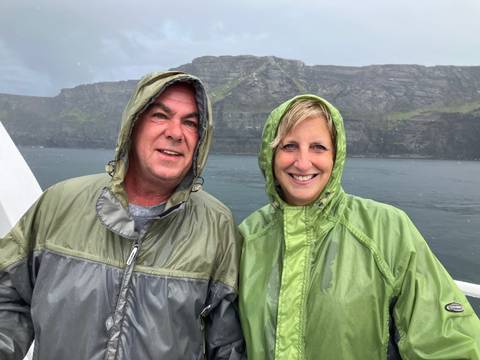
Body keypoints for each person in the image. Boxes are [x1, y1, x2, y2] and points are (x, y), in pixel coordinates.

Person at [0, 71, 245, 359]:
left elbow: (227, 345)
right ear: (134, 124)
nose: (175, 133)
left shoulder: (217, 225)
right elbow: (8, 300)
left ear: (201, 139)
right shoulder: (59, 204)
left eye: (190, 123)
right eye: (160, 116)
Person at [238, 94, 480, 359]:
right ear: (270, 156)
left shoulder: (387, 229)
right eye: (289, 146)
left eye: (318, 147)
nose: (303, 162)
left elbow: (447, 340)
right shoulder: (247, 236)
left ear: (336, 156)